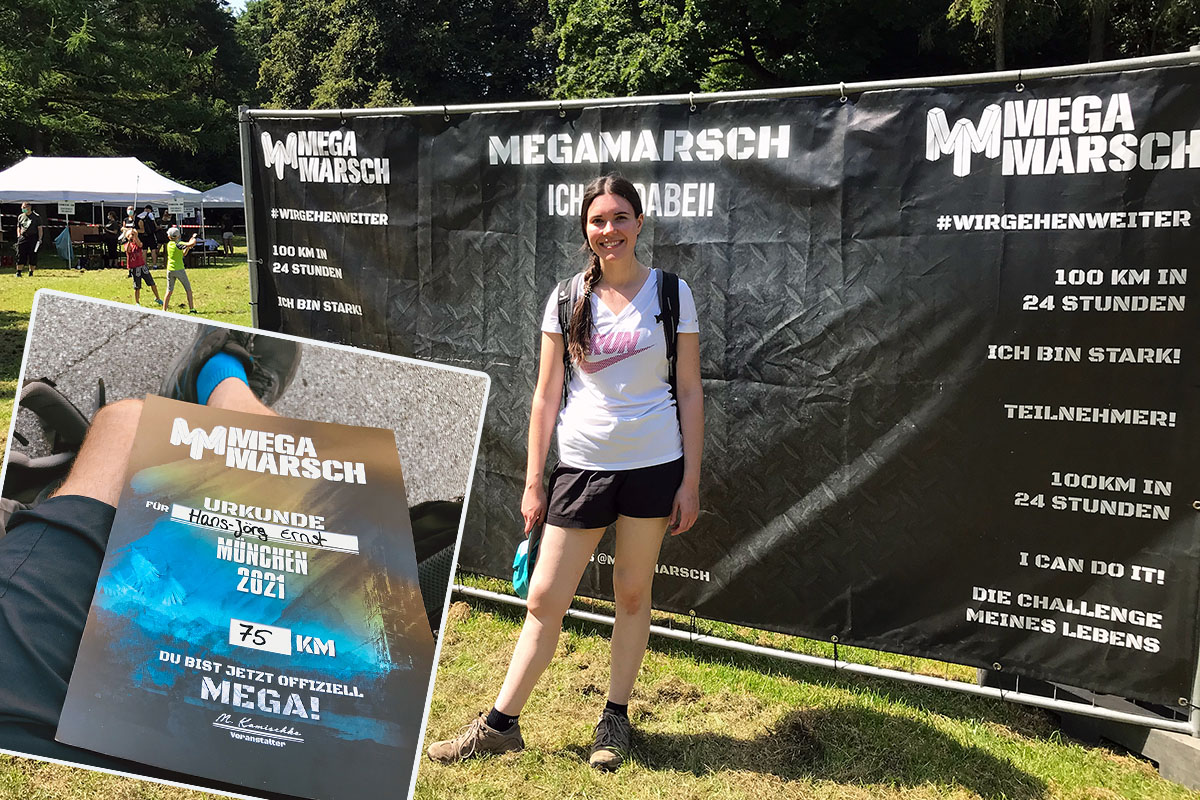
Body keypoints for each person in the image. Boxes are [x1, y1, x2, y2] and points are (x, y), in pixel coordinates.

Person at [427, 174, 704, 771]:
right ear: (585, 229)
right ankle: (500, 724)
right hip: (581, 469)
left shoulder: (674, 295)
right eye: (598, 220)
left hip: (654, 466)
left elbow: (689, 391)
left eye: (621, 217)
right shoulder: (565, 297)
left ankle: (615, 718)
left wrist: (690, 481)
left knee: (632, 596)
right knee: (545, 598)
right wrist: (533, 482)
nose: (610, 230)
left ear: (640, 222)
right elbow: (545, 396)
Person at [0, 328, 301, 792]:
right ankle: (218, 386)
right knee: (287, 487)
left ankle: (207, 394)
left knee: (129, 423)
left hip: (21, 713)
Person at [162, 226, 198, 313]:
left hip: (170, 269)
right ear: (178, 236)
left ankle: (164, 310)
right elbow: (191, 243)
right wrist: (193, 238)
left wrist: (188, 246)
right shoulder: (179, 244)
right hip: (179, 269)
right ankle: (192, 308)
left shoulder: (169, 244)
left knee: (169, 290)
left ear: (169, 237)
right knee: (188, 289)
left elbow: (183, 253)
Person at [124, 229, 162, 307]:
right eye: (129, 236)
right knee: (137, 286)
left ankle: (158, 298)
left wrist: (135, 236)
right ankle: (137, 302)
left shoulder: (138, 243)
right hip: (135, 268)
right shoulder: (127, 244)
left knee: (152, 283)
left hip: (142, 266)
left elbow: (140, 245)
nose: (132, 237)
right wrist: (129, 241)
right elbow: (128, 250)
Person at [14, 201, 42, 277]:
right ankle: (19, 272)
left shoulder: (36, 217)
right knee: (20, 254)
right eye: (22, 207)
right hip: (23, 237)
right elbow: (18, 227)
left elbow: (39, 228)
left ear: (29, 208)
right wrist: (19, 236)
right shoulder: (20, 216)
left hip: (33, 237)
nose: (22, 209)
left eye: (24, 207)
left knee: (32, 255)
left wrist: (39, 239)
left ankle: (31, 272)